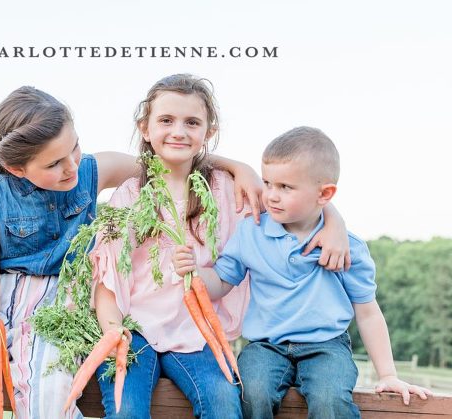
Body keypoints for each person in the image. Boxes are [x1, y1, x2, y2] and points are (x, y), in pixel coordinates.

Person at [0, 85, 276, 418]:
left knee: (50, 395)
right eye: (54, 163)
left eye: (74, 148)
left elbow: (168, 157)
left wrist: (238, 167)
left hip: (64, 303)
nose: (72, 166)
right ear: (17, 168)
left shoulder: (93, 169)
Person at [173, 126, 432, 418]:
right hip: (266, 346)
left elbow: (368, 312)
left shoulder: (347, 247)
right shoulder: (250, 233)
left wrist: (387, 374)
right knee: (252, 394)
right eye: (268, 183)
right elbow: (221, 282)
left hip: (327, 346)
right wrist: (196, 272)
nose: (271, 196)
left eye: (285, 187)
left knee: (329, 399)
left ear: (325, 194)